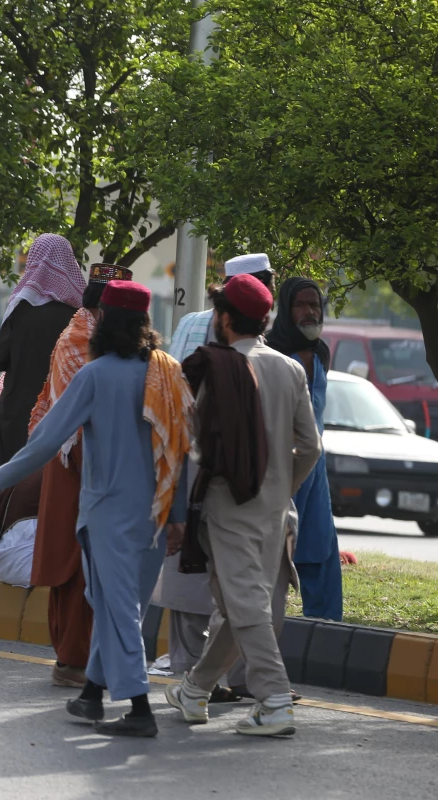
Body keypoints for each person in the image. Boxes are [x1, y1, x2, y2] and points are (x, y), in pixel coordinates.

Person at [0, 280, 193, 737]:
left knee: (118, 609)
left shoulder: (95, 375)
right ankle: (91, 696)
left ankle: (139, 709)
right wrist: (177, 514)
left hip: (108, 515)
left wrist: (0, 477)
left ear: (104, 321)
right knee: (113, 604)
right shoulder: (168, 373)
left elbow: (48, 437)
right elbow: (179, 451)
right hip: (155, 519)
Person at [166, 275, 321, 738]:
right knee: (242, 605)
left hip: (227, 504)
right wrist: (281, 489)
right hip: (274, 509)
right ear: (267, 319)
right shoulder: (290, 368)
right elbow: (310, 447)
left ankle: (274, 700)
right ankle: (196, 690)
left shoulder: (215, 367)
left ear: (225, 318)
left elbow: (190, 445)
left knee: (245, 602)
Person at [154, 254, 277, 681]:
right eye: (261, 284)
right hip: (211, 464)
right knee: (197, 569)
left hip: (216, 465)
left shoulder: (265, 343)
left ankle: (207, 674)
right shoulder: (204, 329)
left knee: (226, 580)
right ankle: (201, 672)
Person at [15, 262, 132, 687]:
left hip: (95, 465)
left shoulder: (102, 340)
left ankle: (81, 659)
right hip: (76, 463)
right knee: (75, 564)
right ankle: (72, 660)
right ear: (103, 308)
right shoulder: (77, 341)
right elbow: (75, 419)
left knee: (90, 564)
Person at [0, 233, 84, 576]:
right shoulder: (78, 315)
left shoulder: (22, 307)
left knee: (0, 488)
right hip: (59, 419)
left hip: (16, 416)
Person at [266, 277, 340, 620]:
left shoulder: (320, 353)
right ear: (286, 308)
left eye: (315, 305)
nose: (310, 312)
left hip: (315, 468)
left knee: (320, 548)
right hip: (282, 467)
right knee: (271, 554)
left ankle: (325, 624)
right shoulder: (275, 353)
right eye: (302, 305)